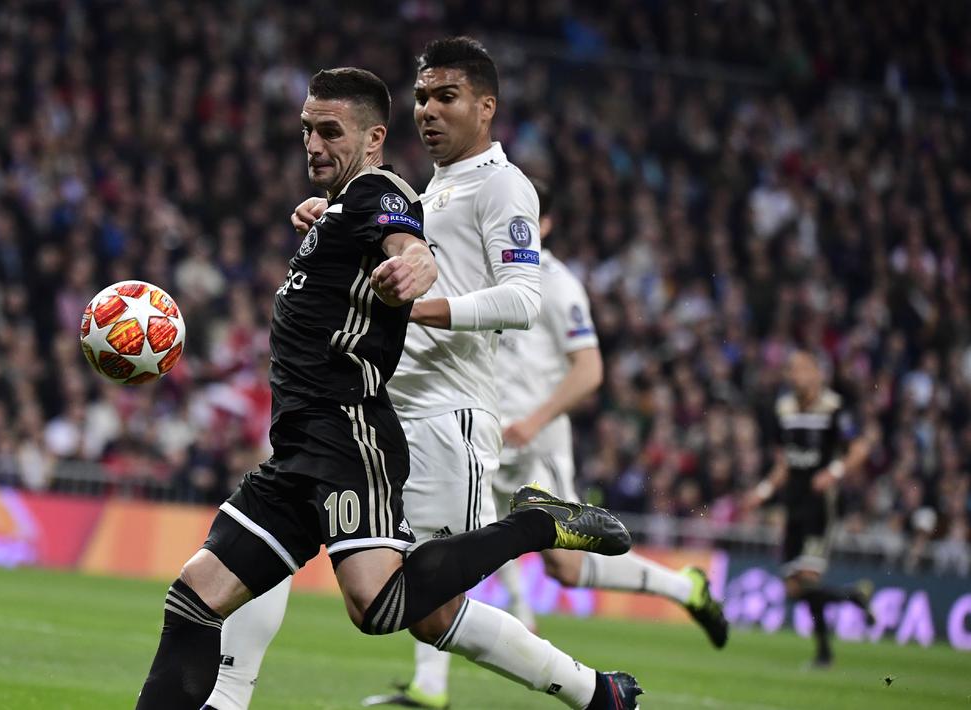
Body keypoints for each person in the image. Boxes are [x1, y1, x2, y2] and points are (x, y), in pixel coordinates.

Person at [134, 66, 632, 710]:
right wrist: (330, 223)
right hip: (298, 450)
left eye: (330, 131)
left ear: (373, 138)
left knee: (382, 607)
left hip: (350, 438)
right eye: (307, 130)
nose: (313, 144)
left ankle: (533, 525)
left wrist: (416, 263)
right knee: (194, 598)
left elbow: (404, 235)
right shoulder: (342, 211)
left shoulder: (379, 190)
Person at [487, 178, 728, 648]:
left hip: (535, 440)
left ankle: (685, 587)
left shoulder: (558, 286)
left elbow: (590, 371)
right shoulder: (485, 272)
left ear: (546, 224)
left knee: (565, 566)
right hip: (489, 432)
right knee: (457, 525)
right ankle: (434, 682)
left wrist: (535, 421)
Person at [746, 350, 875, 668]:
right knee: (794, 588)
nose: (796, 375)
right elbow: (784, 463)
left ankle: (823, 653)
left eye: (803, 369)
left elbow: (859, 448)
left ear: (818, 372)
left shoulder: (834, 408)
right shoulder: (784, 409)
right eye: (791, 369)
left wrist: (834, 472)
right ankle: (851, 599)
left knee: (807, 577)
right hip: (793, 501)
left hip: (820, 505)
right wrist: (762, 491)